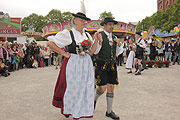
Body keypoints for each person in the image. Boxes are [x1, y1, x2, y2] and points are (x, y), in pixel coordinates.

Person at [47, 12, 98, 119]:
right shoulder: (68, 33)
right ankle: (72, 110)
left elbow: (92, 52)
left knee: (85, 87)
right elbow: (50, 43)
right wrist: (64, 53)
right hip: (74, 63)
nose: (84, 22)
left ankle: (81, 110)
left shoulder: (87, 34)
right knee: (73, 87)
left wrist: (97, 40)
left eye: (85, 21)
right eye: (82, 20)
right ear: (75, 21)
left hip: (86, 63)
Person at [93, 17, 123, 120]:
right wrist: (99, 42)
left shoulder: (115, 37)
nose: (111, 26)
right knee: (102, 88)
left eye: (112, 24)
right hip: (101, 64)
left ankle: (109, 111)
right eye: (109, 24)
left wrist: (119, 44)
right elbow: (96, 52)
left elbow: (118, 53)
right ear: (104, 25)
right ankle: (94, 100)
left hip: (112, 65)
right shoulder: (99, 35)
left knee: (111, 87)